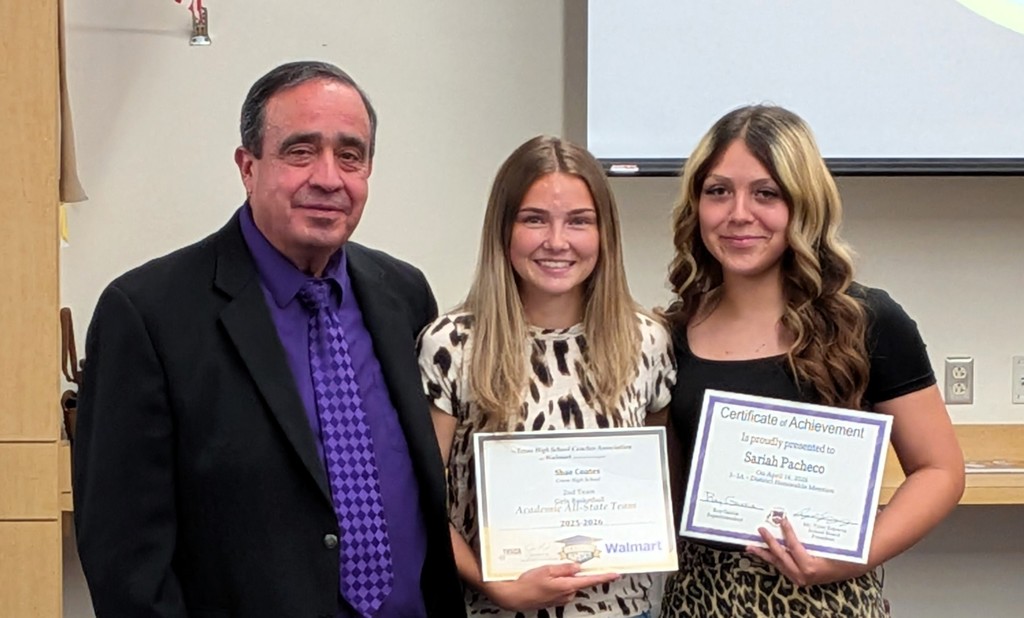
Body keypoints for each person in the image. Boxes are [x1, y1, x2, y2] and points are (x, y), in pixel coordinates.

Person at [73, 60, 465, 617]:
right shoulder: (147, 315)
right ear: (247, 166)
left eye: (350, 155)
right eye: (301, 152)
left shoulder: (404, 295)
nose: (329, 177)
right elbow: (127, 563)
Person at [658, 105, 965, 617]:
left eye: (766, 193)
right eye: (718, 191)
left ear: (804, 204)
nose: (738, 213)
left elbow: (940, 471)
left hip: (829, 602)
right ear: (695, 205)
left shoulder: (867, 319)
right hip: (698, 603)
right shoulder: (669, 334)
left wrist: (852, 557)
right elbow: (662, 489)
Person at [417, 135, 677, 617]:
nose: (557, 242)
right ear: (503, 230)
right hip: (493, 611)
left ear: (605, 234)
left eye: (579, 221)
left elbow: (661, 486)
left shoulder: (649, 342)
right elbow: (419, 498)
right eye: (534, 219)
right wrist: (494, 584)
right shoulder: (451, 344)